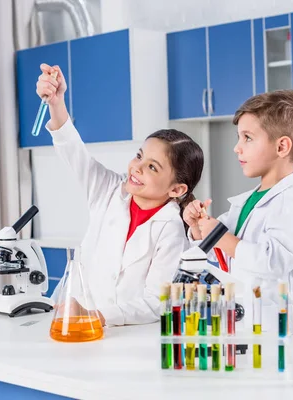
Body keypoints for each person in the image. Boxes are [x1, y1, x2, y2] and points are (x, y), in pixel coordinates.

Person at [36, 63, 204, 326]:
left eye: (152, 167)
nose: (136, 167)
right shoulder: (109, 191)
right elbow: (73, 151)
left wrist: (98, 317)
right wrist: (56, 103)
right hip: (77, 326)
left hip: (125, 337)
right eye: (139, 156)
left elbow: (156, 302)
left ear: (176, 189)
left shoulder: (171, 229)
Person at [184, 90, 293, 336]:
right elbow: (221, 246)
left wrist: (218, 235)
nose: (237, 148)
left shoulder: (291, 202)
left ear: (281, 146)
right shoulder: (251, 200)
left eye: (247, 138)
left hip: (285, 332)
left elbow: (273, 260)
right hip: (252, 324)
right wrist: (198, 226)